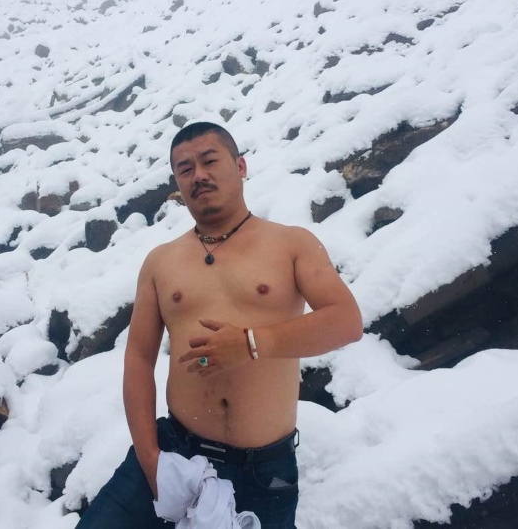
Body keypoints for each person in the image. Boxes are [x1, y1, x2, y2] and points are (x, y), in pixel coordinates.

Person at [75, 122, 363, 528]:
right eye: (185, 169)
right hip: (174, 450)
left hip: (263, 470)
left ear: (240, 166)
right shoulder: (161, 262)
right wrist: (150, 457)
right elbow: (138, 358)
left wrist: (251, 343)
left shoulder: (291, 244)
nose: (199, 175)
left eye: (209, 161)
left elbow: (346, 321)